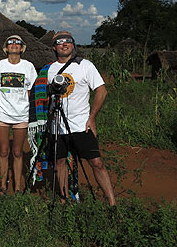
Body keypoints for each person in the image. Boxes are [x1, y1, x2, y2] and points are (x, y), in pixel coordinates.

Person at [32, 31, 115, 205]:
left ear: (73, 44)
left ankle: (112, 203)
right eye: (60, 41)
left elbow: (102, 91)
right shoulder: (49, 69)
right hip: (57, 126)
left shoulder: (85, 65)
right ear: (54, 47)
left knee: (97, 163)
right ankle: (64, 200)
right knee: (60, 162)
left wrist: (92, 118)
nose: (64, 44)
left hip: (81, 125)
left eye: (68, 41)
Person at [0, 35, 37, 194]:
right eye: (10, 42)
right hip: (1, 114)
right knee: (3, 151)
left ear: (22, 48)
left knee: (17, 151)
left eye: (18, 43)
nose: (14, 45)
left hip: (21, 115)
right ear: (6, 48)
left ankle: (17, 187)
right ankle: (2, 185)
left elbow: (31, 90)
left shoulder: (28, 66)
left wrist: (25, 105)